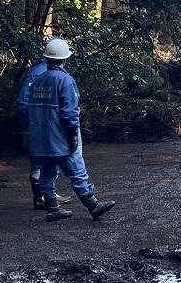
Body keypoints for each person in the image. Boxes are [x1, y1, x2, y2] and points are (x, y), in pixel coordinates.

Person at [27, 37, 116, 222]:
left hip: (40, 136)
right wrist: (73, 134)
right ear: (64, 58)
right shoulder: (65, 81)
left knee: (47, 171)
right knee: (76, 168)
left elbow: (27, 108)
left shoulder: (37, 80)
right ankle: (92, 205)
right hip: (59, 135)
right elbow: (69, 113)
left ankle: (52, 209)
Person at [16, 47, 67, 210]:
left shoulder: (45, 71)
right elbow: (23, 101)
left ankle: (48, 194)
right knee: (39, 162)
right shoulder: (38, 73)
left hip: (45, 123)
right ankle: (41, 197)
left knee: (48, 159)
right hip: (38, 124)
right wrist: (28, 125)